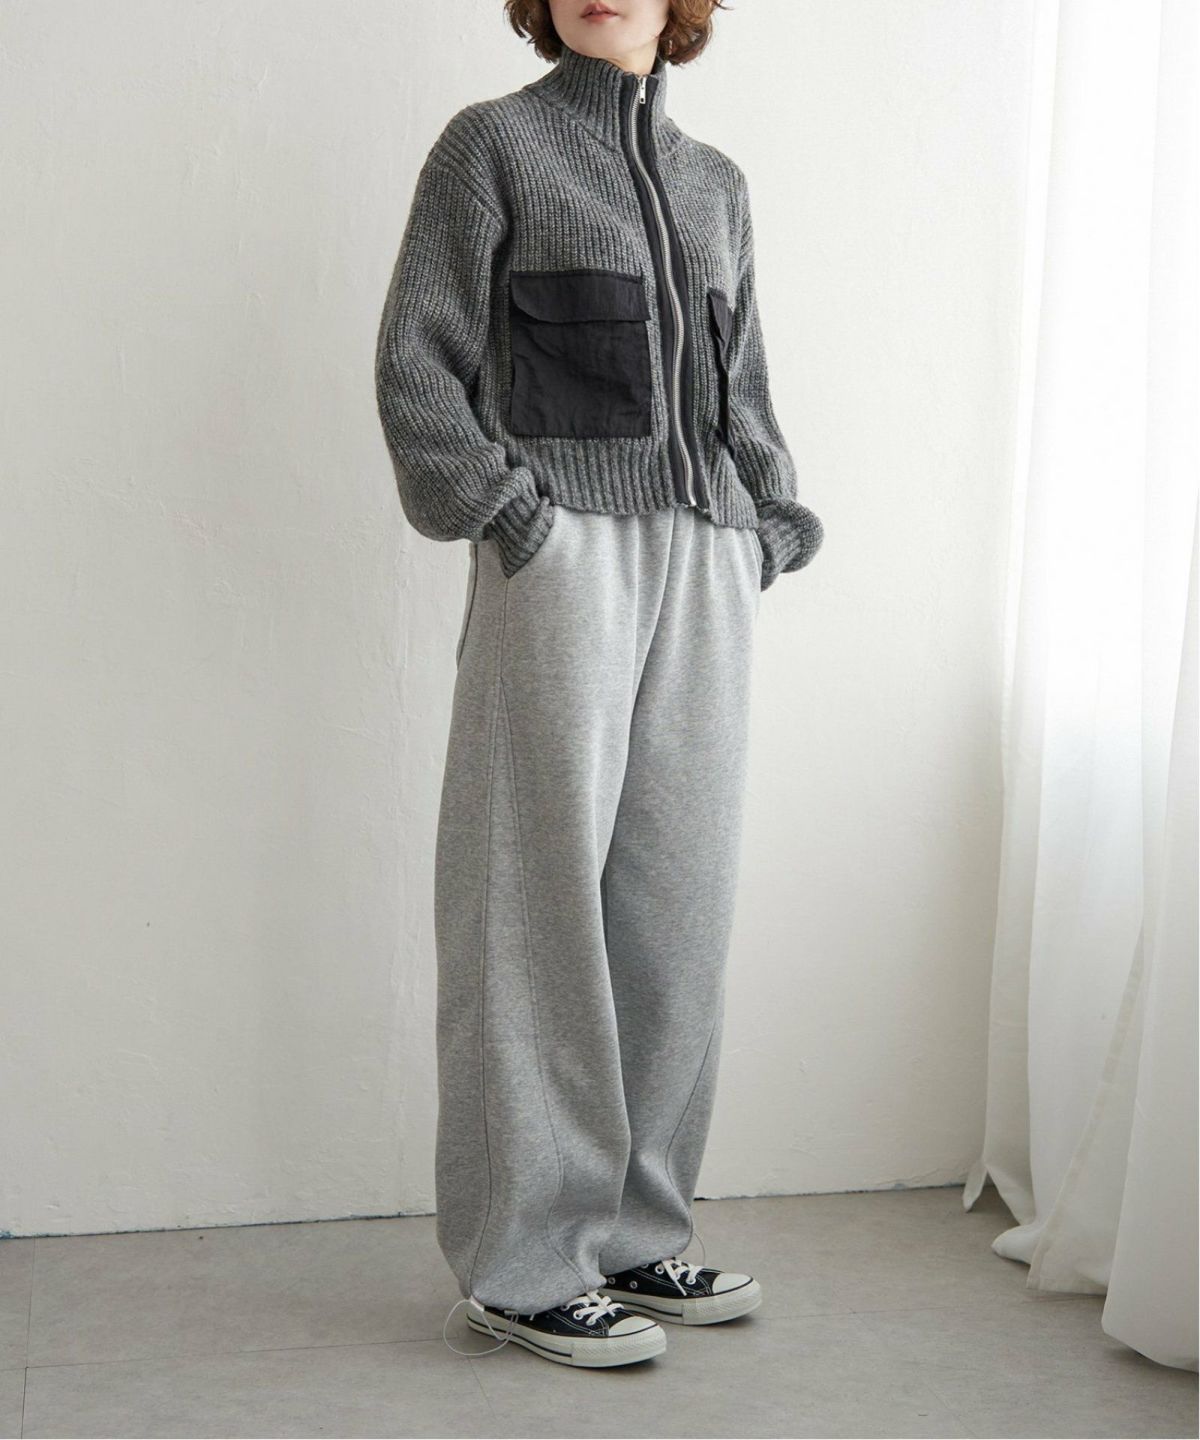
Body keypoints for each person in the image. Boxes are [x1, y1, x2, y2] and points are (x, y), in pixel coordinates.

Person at [374, 0, 824, 1369]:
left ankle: (635, 1234)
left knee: (677, 903)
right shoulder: (491, 149)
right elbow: (417, 360)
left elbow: (740, 376)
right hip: (562, 551)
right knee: (532, 901)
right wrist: (509, 515)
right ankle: (524, 1263)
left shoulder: (714, 183)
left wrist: (768, 516)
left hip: (705, 557)